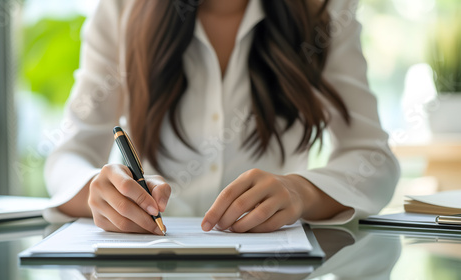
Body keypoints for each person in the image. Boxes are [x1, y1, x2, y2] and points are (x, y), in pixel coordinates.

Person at [44, 0, 400, 235]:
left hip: (270, 266)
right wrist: (100, 189)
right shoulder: (121, 9)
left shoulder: (322, 11)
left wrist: (302, 191)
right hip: (153, 259)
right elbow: (67, 157)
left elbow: (373, 159)